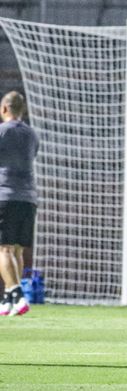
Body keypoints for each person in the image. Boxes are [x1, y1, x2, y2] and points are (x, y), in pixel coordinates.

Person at [0, 91, 38, 317]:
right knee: (16, 250)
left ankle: (16, 293)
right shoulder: (32, 134)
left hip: (5, 196)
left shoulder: (2, 132)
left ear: (5, 108)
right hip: (28, 198)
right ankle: (8, 301)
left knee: (3, 248)